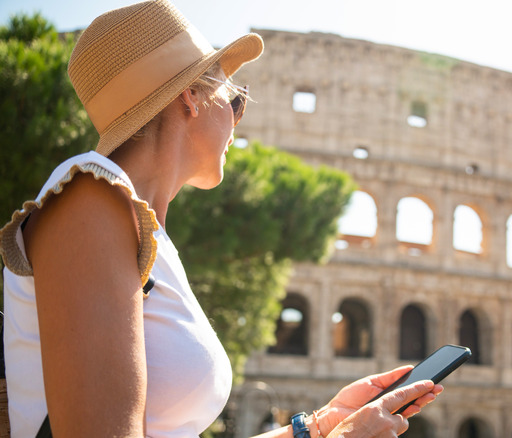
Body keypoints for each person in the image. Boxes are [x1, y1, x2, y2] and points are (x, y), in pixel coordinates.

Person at [0, 1, 442, 436]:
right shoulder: (89, 199)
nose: (237, 121)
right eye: (234, 99)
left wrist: (320, 427)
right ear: (191, 97)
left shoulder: (145, 234)